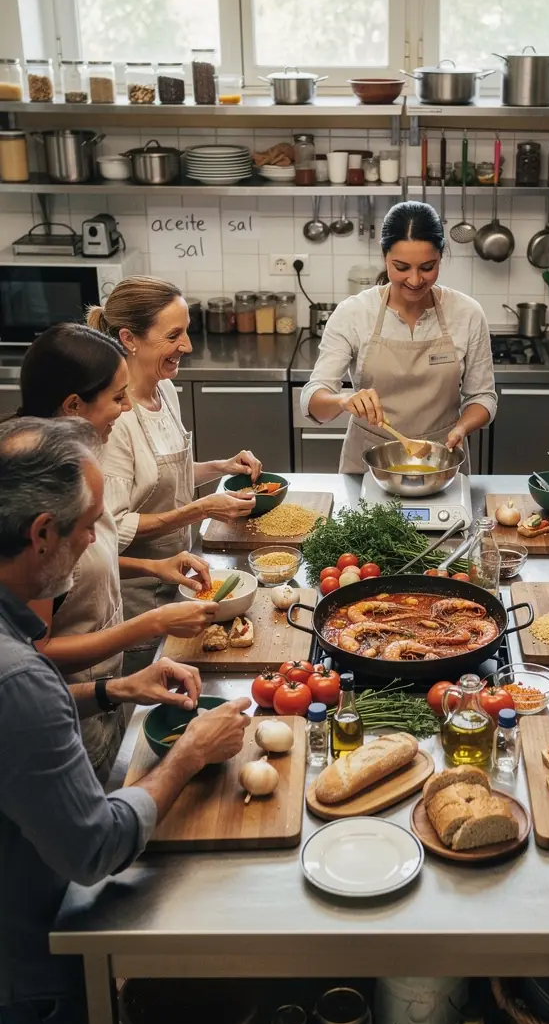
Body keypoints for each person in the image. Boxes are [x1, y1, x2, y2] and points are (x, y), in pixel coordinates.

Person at [0, 416, 251, 1024]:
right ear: (41, 534)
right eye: (87, 529)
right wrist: (190, 754)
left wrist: (113, 689)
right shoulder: (20, 676)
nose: (93, 543)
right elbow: (95, 848)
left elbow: (13, 728)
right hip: (21, 978)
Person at [17, 323, 220, 781]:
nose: (127, 408)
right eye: (117, 398)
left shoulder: (77, 460)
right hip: (64, 715)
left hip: (105, 693)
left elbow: (84, 570)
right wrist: (149, 624)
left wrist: (151, 565)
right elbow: (37, 654)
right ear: (73, 406)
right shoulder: (43, 493)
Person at [87, 276, 262, 649]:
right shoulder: (115, 421)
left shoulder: (164, 389)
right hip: (139, 600)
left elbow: (161, 480)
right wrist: (199, 510)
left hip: (182, 578)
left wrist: (220, 467)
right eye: (173, 336)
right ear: (128, 339)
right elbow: (113, 530)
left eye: (186, 332)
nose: (187, 345)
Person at [300, 201, 496, 473]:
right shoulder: (354, 313)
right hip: (369, 464)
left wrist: (461, 428)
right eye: (401, 267)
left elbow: (483, 398)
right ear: (384, 256)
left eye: (427, 267)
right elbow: (312, 399)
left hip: (442, 460)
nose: (415, 280)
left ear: (441, 256)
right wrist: (343, 400)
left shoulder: (467, 313)